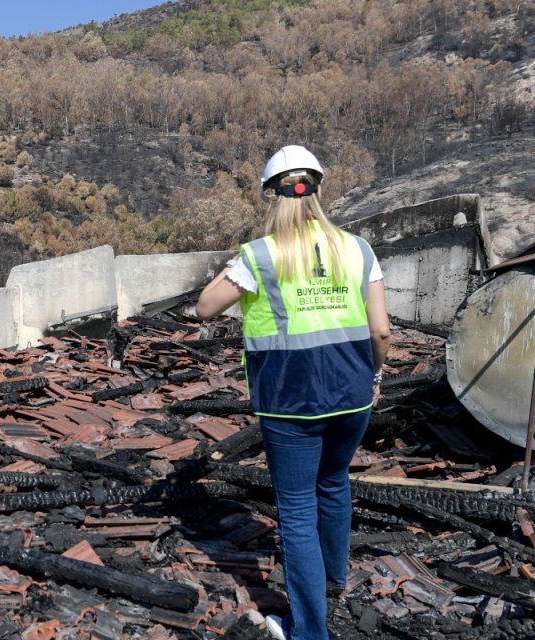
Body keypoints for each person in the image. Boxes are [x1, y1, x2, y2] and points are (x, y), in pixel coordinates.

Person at [195, 145, 392, 640]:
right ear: (319, 190)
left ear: (272, 196)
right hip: (352, 396)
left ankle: (309, 631)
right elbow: (382, 331)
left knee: (298, 509)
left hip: (290, 403)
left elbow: (204, 308)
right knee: (334, 484)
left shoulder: (258, 256)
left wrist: (233, 263)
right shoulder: (358, 248)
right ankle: (335, 580)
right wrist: (375, 375)